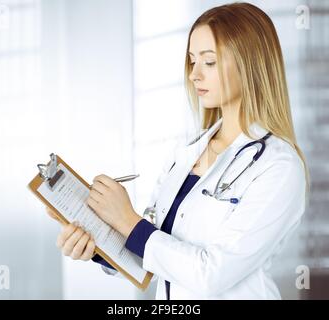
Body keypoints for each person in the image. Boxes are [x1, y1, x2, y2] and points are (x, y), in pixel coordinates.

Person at [47, 2, 309, 299]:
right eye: (192, 61)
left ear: (250, 63)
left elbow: (211, 274)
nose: (195, 74)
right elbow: (152, 257)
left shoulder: (279, 167)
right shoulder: (186, 153)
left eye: (209, 62)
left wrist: (127, 219)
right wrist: (95, 239)